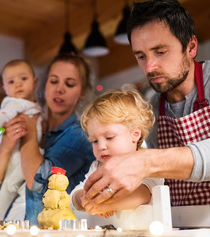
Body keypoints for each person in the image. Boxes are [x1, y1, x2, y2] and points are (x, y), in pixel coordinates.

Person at [83, 0, 210, 210]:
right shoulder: (151, 105)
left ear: (191, 47)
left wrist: (145, 161)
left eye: (160, 52)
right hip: (178, 225)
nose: (150, 67)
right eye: (141, 56)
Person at [0, 54, 94, 225]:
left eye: (69, 84)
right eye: (54, 81)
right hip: (11, 231)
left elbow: (38, 183)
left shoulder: (79, 135)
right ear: (44, 84)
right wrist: (6, 144)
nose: (59, 89)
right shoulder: (36, 121)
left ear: (82, 92)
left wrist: (29, 135)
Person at [70, 89, 163, 218]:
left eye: (109, 137)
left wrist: (108, 204)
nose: (101, 146)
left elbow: (143, 194)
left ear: (135, 134)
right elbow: (78, 192)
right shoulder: (97, 167)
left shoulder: (146, 163)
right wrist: (83, 199)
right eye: (94, 141)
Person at [0, 59, 42, 220]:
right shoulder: (15, 103)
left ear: (34, 82)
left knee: (17, 196)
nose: (18, 84)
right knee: (7, 192)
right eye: (11, 81)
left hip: (24, 159)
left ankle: (1, 223)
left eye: (23, 79)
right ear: (5, 88)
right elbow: (2, 115)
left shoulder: (34, 107)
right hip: (15, 155)